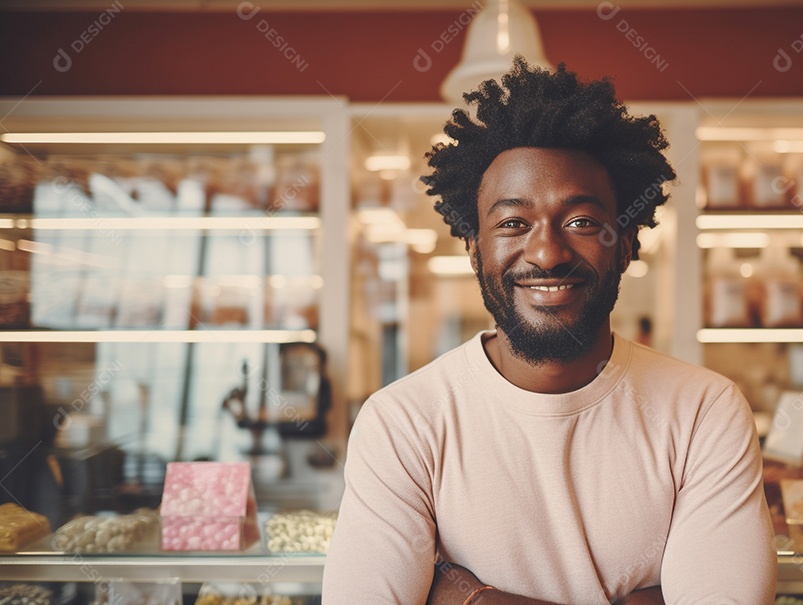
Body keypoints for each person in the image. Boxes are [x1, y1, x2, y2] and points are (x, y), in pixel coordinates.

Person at [323, 58, 777, 605]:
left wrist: (473, 599)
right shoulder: (403, 422)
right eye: (513, 223)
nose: (545, 252)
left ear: (626, 244)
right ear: (475, 249)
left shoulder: (704, 411)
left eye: (582, 221)